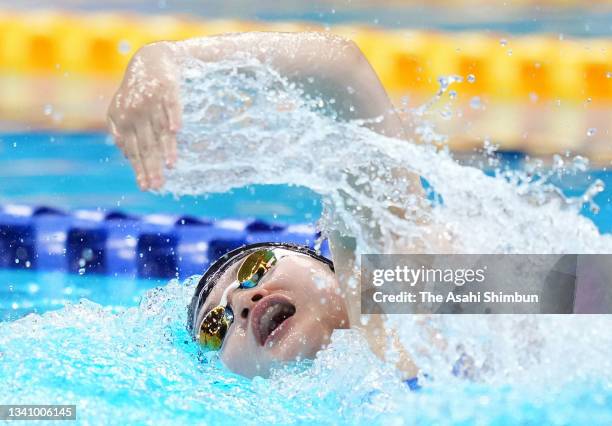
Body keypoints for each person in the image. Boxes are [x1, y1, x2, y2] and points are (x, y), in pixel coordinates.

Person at [108, 31, 450, 380]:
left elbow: (340, 73)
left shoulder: (402, 302)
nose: (240, 302)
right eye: (216, 329)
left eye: (256, 267)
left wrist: (162, 58)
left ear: (328, 265)